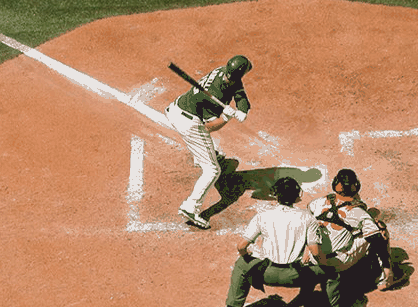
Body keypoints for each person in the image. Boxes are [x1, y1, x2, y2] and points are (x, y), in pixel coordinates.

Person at [167, 54, 252, 228]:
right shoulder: (215, 95)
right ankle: (191, 206)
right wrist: (227, 117)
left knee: (211, 152)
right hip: (189, 122)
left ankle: (203, 155)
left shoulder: (225, 71)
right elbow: (209, 127)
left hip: (178, 108)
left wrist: (242, 109)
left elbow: (238, 90)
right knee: (213, 170)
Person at [224, 176, 327, 307]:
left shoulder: (262, 215)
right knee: (326, 270)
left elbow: (241, 246)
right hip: (294, 276)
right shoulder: (308, 217)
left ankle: (233, 306)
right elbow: (315, 252)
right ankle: (306, 298)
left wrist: (246, 256)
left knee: (241, 264)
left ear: (276, 195)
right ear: (297, 196)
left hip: (265, 274)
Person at [309, 168, 394, 304]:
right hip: (336, 263)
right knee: (379, 230)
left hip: (312, 256)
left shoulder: (316, 203)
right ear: (356, 187)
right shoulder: (359, 214)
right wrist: (387, 266)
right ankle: (384, 279)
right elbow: (377, 242)